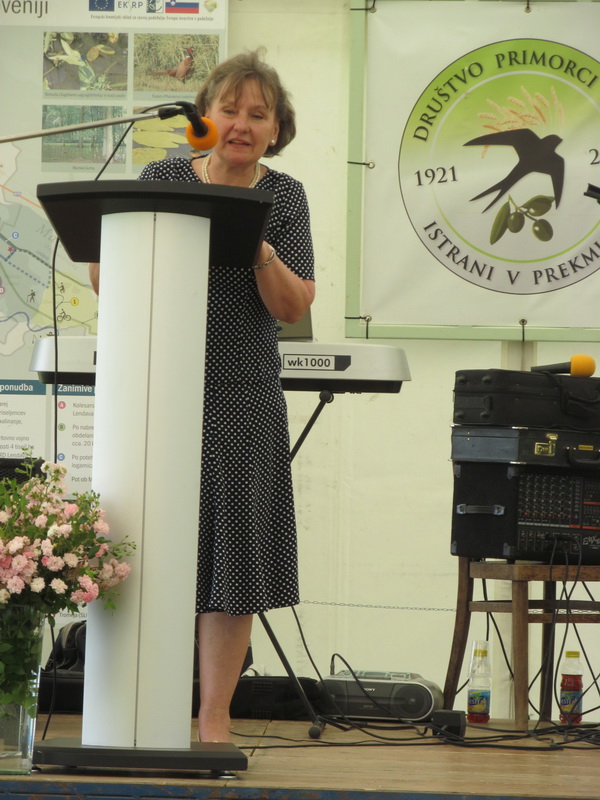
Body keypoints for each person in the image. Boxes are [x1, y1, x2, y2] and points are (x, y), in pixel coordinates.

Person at [89, 50, 315, 743]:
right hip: (156, 386)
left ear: (276, 130)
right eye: (229, 110)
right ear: (203, 117)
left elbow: (293, 305)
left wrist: (257, 244)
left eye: (258, 114)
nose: (242, 124)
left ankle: (214, 717)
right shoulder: (161, 178)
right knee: (147, 545)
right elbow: (106, 275)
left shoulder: (285, 197)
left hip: (242, 394)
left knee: (233, 557)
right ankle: (139, 707)